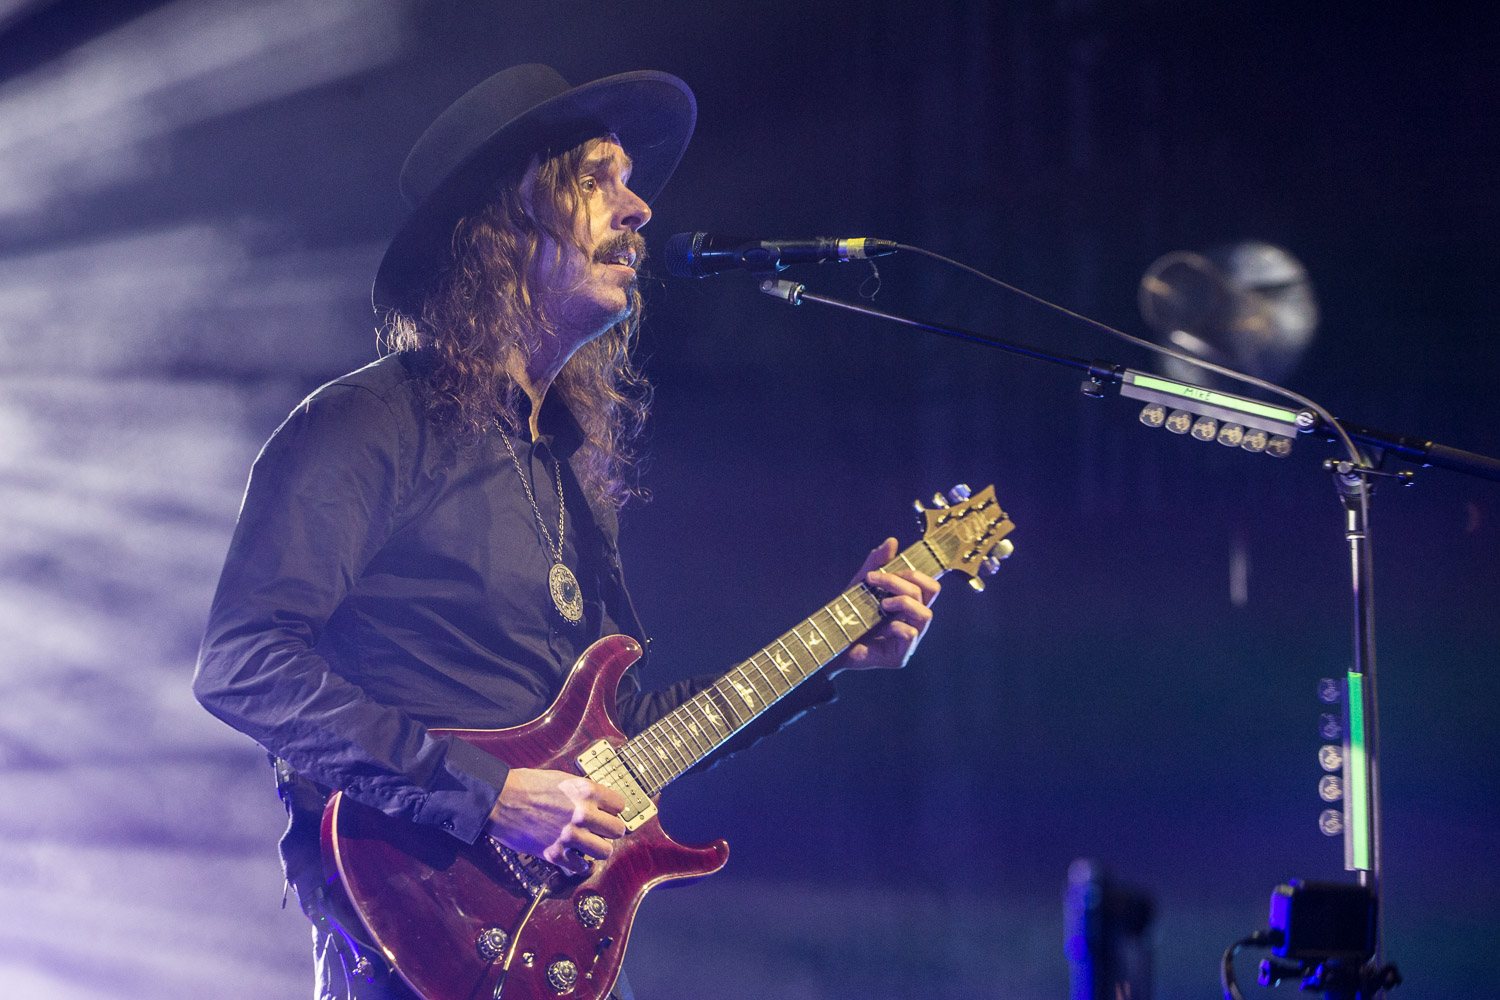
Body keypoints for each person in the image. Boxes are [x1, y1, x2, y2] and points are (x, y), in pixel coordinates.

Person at [193, 64, 939, 1000]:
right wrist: (490, 796)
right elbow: (243, 663)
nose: (639, 210)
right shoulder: (366, 424)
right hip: (412, 937)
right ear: (499, 226)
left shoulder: (563, 468)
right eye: (596, 179)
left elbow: (614, 741)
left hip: (551, 947)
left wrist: (835, 650)